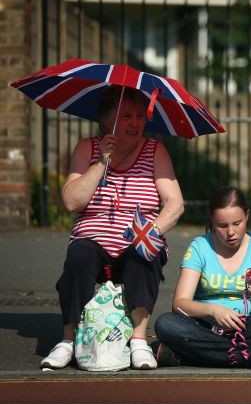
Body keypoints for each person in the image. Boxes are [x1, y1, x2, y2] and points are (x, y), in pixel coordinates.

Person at [40, 85, 184, 370]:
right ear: (107, 120)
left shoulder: (155, 151)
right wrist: (100, 162)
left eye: (140, 116)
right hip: (92, 238)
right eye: (126, 115)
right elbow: (71, 201)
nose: (135, 123)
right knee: (79, 254)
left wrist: (150, 232)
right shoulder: (87, 148)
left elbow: (175, 204)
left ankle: (139, 341)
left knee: (145, 255)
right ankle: (69, 339)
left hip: (137, 237)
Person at [153, 187, 251, 368]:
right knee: (165, 324)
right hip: (207, 327)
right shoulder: (199, 247)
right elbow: (179, 304)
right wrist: (214, 311)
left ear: (247, 216)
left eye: (237, 223)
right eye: (222, 226)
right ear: (212, 220)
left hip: (250, 326)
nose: (231, 232)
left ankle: (189, 356)